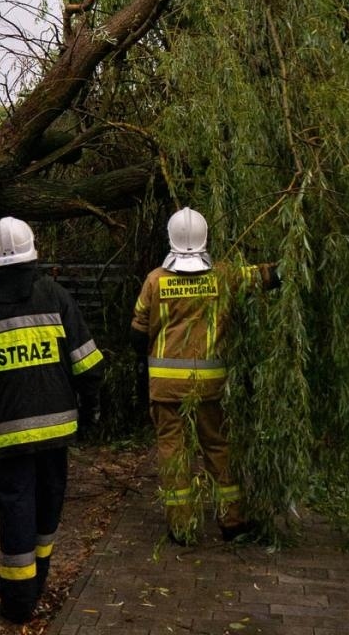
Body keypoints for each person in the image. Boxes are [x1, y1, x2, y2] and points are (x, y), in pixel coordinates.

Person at [0, 217, 104, 624]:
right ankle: (37, 583)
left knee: (17, 508)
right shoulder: (54, 295)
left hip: (9, 433)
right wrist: (91, 407)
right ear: (32, 252)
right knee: (49, 504)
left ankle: (18, 600)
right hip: (56, 430)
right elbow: (87, 363)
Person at [130, 207, 280, 545]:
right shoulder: (222, 276)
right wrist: (292, 263)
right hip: (211, 386)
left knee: (173, 451)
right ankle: (233, 521)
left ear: (170, 239)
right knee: (218, 446)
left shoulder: (155, 280)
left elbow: (137, 334)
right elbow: (263, 277)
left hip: (166, 388)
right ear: (205, 238)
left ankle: (181, 526)